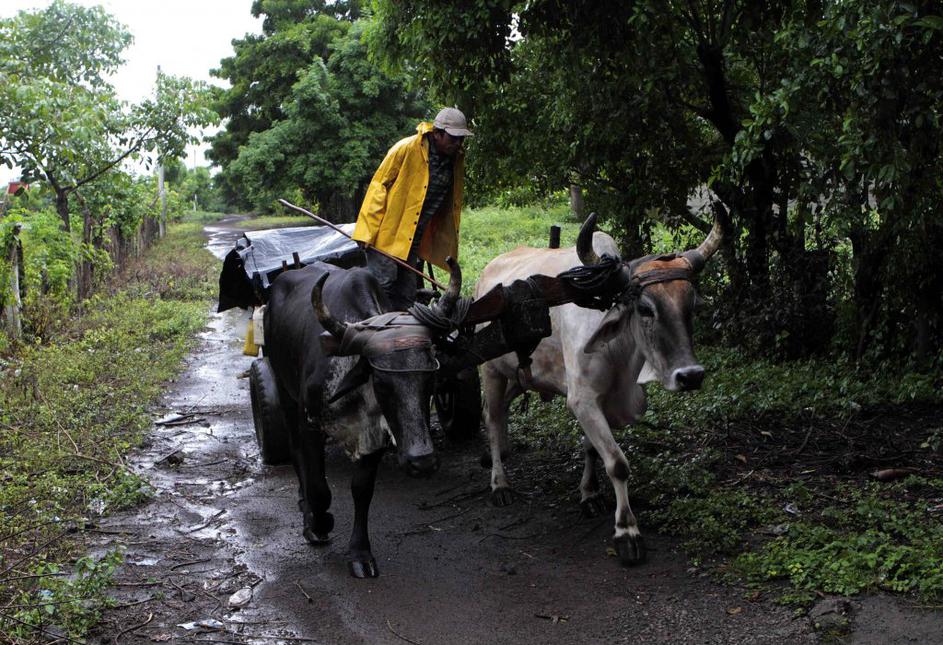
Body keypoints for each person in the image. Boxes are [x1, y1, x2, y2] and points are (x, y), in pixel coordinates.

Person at [352, 107, 473, 310]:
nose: (458, 143)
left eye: (461, 139)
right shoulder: (407, 149)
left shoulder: (455, 159)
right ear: (437, 133)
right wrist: (366, 232)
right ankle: (374, 333)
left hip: (414, 238)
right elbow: (378, 186)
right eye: (453, 138)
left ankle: (405, 336)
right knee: (382, 287)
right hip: (387, 236)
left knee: (407, 294)